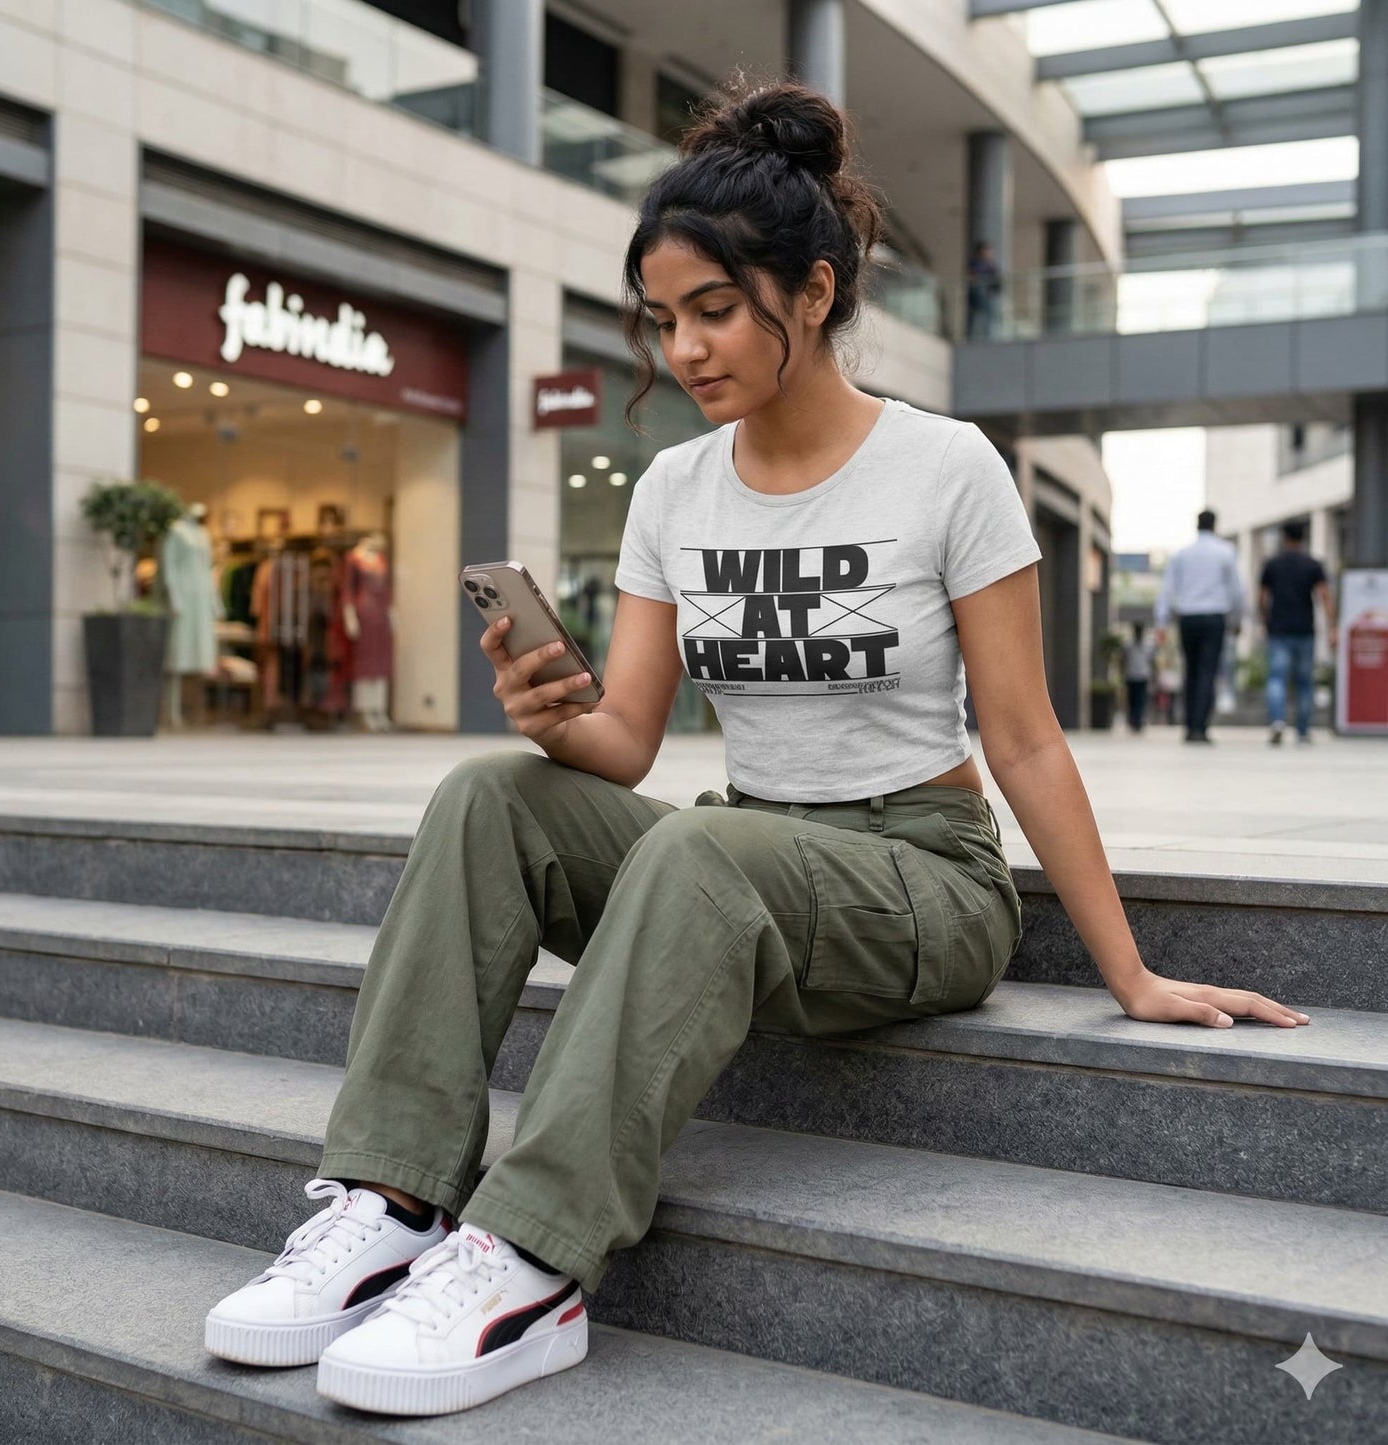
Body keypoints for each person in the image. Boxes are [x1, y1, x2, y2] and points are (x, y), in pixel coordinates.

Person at [202, 80, 1311, 1419]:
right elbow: (624, 742)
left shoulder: (947, 468)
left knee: (710, 849)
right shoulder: (677, 488)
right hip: (747, 856)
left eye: (714, 310)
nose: (685, 349)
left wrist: (1127, 970)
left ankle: (535, 1257)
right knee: (491, 796)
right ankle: (389, 1202)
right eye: (662, 319)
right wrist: (550, 709)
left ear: (816, 291)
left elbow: (1022, 737)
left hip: (921, 879)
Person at [1154, 510, 1245, 743]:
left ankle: (1189, 724)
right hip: (1215, 617)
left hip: (1188, 618)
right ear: (1215, 525)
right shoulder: (1225, 552)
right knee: (1208, 672)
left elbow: (1167, 588)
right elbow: (1236, 590)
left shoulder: (1183, 554)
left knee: (1191, 671)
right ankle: (1200, 727)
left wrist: (1161, 621)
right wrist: (1237, 619)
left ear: (1196, 525)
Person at [1260, 518, 1336, 744]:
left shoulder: (1272, 564)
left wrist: (1266, 620)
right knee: (1304, 682)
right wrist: (1332, 627)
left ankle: (1277, 721)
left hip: (1279, 629)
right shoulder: (1312, 564)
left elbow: (1262, 598)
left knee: (1276, 678)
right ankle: (1302, 730)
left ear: (1284, 537)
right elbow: (1324, 597)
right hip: (1305, 629)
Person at [965, 240, 1002, 339]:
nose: (989, 253)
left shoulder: (991, 265)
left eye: (990, 251)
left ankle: (987, 335)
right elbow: (973, 276)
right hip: (977, 293)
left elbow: (996, 281)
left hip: (987, 294)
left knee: (989, 316)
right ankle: (972, 336)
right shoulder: (975, 263)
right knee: (975, 316)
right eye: (987, 251)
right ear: (981, 251)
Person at [1122, 623, 1153, 733]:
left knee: (1141, 700)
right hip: (1131, 676)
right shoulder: (1128, 645)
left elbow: (1151, 661)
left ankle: (1139, 721)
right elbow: (1123, 659)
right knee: (1132, 700)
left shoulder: (1148, 645)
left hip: (1143, 676)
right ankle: (1132, 721)